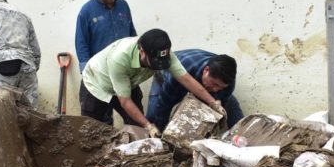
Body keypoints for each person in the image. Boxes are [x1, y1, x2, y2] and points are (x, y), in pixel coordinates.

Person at [80, 29, 225, 137]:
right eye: (155, 62)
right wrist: (149, 126)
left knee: (137, 128)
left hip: (128, 83)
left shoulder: (163, 53)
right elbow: (125, 101)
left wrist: (213, 103)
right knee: (93, 132)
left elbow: (186, 78)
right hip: (97, 83)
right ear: (142, 51)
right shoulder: (120, 58)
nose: (159, 65)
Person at [146, 49, 243, 130]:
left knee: (229, 106)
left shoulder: (228, 83)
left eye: (221, 87)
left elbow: (220, 109)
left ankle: (242, 137)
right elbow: (164, 106)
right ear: (206, 70)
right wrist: (160, 132)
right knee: (153, 116)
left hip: (197, 68)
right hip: (166, 75)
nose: (215, 89)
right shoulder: (181, 72)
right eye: (214, 84)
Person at [75, 0, 136, 73]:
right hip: (100, 71)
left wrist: (135, 60)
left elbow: (131, 34)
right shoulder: (86, 11)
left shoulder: (123, 5)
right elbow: (81, 43)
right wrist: (86, 72)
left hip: (125, 68)